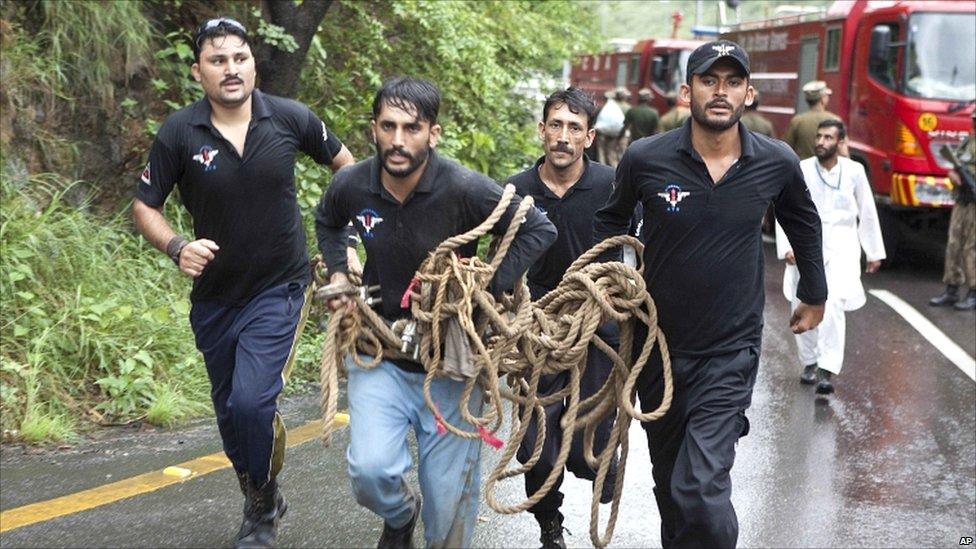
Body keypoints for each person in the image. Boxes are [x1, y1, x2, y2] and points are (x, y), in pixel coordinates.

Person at [594, 40, 827, 548]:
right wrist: (607, 283)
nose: (720, 93)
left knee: (698, 488)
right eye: (709, 81)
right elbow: (609, 225)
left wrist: (814, 290)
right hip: (657, 350)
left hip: (730, 350)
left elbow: (804, 224)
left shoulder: (775, 161)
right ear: (686, 91)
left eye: (732, 82)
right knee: (670, 485)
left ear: (748, 94)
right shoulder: (645, 158)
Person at [132, 18, 355, 549]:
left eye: (239, 58)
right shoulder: (179, 133)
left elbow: (348, 171)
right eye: (217, 60)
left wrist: (342, 245)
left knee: (253, 402)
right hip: (214, 297)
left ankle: (260, 511)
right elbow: (145, 205)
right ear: (198, 72)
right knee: (231, 410)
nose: (230, 69)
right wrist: (177, 246)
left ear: (253, 62)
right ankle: (262, 490)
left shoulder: (291, 118)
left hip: (279, 287)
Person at [314, 77, 557, 548]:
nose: (399, 140)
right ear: (374, 129)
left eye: (412, 127)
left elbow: (536, 228)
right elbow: (327, 219)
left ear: (434, 133)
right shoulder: (352, 183)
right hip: (377, 352)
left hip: (450, 365)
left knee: (448, 505)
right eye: (388, 126)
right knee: (370, 471)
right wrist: (341, 270)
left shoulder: (464, 188)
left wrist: (485, 290)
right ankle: (401, 516)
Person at [507, 87, 622, 548]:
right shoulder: (517, 189)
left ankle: (600, 464)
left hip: (595, 328)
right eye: (555, 125)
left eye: (574, 128)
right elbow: (500, 261)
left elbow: (637, 252)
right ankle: (549, 525)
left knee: (580, 450)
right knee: (537, 446)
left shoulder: (612, 185)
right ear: (541, 130)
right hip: (535, 332)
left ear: (589, 137)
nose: (563, 136)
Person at [776, 119, 885, 394]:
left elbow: (867, 211)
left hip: (842, 246)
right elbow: (785, 208)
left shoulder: (854, 171)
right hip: (807, 244)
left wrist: (873, 251)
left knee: (832, 304)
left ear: (840, 142)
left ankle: (827, 368)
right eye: (819, 137)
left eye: (828, 138)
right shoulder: (801, 169)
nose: (821, 142)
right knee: (803, 303)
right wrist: (787, 247)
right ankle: (810, 362)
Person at [930, 109, 976, 310]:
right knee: (954, 243)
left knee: (971, 247)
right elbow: (954, 163)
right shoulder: (969, 141)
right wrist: (954, 175)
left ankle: (974, 292)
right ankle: (952, 288)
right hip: (963, 199)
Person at [784, 80, 841, 160]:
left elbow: (786, 149)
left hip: (803, 168)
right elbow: (843, 150)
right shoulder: (835, 120)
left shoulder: (797, 121)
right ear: (823, 99)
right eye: (827, 96)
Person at [594, 89, 626, 167]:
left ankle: (601, 168)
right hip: (614, 133)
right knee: (611, 152)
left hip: (602, 134)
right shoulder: (617, 109)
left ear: (605, 98)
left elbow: (596, 122)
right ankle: (614, 170)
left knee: (601, 151)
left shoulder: (601, 109)